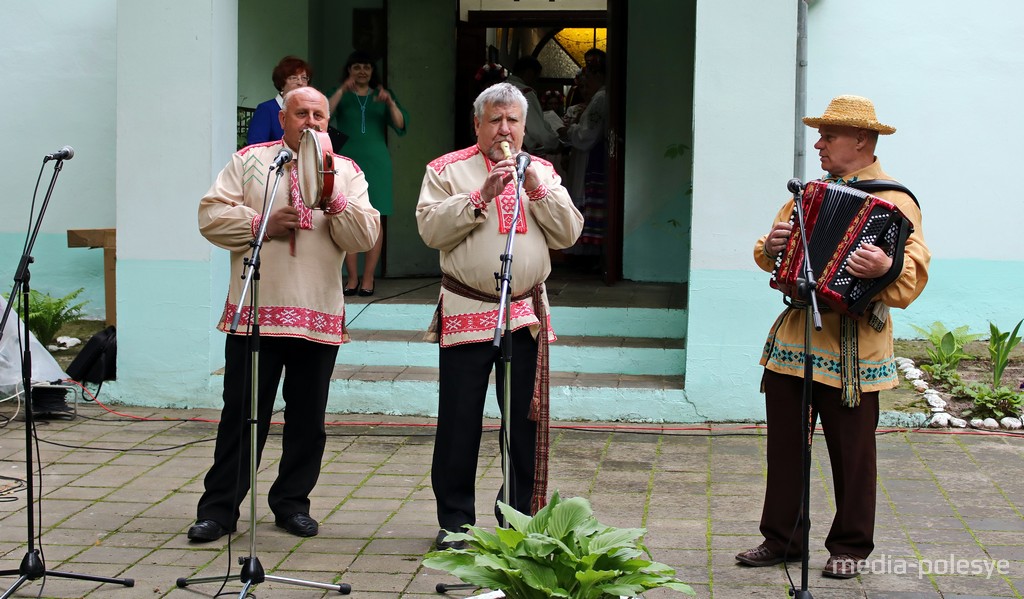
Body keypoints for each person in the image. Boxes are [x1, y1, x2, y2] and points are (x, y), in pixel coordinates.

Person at [738, 95, 930, 578]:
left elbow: (913, 276)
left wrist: (887, 268)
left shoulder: (896, 202)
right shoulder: (809, 194)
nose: (819, 145)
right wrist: (773, 247)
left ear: (860, 140)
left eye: (828, 136)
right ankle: (782, 539)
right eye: (819, 136)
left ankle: (849, 546)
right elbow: (771, 251)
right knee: (784, 448)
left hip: (852, 350)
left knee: (853, 456)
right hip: (795, 343)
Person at [189, 87, 381, 542]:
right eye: (301, 113)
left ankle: (292, 504)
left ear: (327, 119)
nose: (310, 122)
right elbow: (209, 216)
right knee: (240, 414)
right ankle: (219, 511)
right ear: (283, 118)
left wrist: (332, 196)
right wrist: (262, 225)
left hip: (317, 313)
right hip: (256, 311)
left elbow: (364, 234)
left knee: (307, 420)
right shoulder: (251, 161)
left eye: (318, 114)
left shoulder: (348, 170)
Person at [415, 82, 583, 549]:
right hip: (469, 307)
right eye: (495, 120)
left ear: (525, 127)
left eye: (512, 121)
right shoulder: (446, 170)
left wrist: (538, 190)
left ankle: (520, 518)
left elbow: (569, 233)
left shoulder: (544, 171)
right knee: (460, 420)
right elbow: (429, 229)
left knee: (523, 423)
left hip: (524, 313)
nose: (504, 130)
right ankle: (455, 523)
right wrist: (480, 195)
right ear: (478, 124)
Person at [328, 50, 408, 297]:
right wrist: (342, 90)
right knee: (348, 213)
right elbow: (325, 114)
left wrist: (390, 103)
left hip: (377, 161)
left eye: (367, 67)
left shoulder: (382, 96)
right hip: (348, 161)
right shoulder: (341, 94)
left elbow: (401, 124)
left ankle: (368, 277)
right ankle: (351, 278)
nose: (362, 71)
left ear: (373, 72)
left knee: (375, 217)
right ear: (349, 70)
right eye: (357, 67)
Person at [560, 49, 608, 268]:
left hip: (591, 158)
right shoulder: (600, 97)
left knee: (584, 199)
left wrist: (570, 130)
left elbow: (587, 135)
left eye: (588, 78)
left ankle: (587, 255)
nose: (585, 84)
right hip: (587, 156)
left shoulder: (601, 98)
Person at [246, 55, 312, 145]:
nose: (300, 82)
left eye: (304, 78)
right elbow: (255, 148)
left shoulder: (309, 112)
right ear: (281, 83)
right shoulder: (266, 109)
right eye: (293, 78)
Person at [506, 56, 561, 156]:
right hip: (517, 152)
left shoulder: (497, 89)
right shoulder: (525, 93)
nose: (535, 81)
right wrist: (555, 144)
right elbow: (537, 129)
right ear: (529, 73)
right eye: (536, 77)